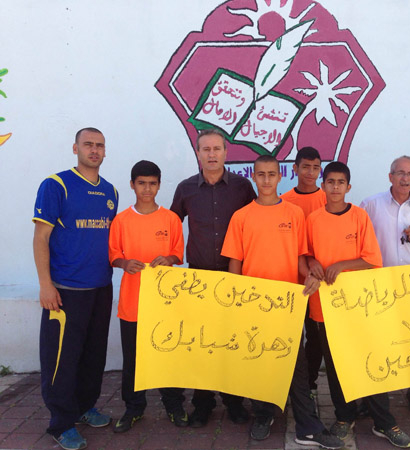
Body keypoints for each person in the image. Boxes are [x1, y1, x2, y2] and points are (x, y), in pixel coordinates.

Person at [222, 155, 343, 449]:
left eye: (271, 174)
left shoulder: (294, 214)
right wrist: (238, 301)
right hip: (253, 303)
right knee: (259, 363)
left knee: (296, 365)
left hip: (287, 304)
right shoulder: (241, 216)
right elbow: (235, 264)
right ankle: (263, 415)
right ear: (253, 176)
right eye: (261, 174)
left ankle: (307, 427)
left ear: (280, 177)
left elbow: (301, 259)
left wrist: (310, 275)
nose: (266, 180)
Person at [306, 161, 410, 448]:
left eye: (340, 182)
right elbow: (305, 254)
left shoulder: (359, 217)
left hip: (359, 305)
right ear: (323, 186)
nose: (335, 187)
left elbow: (372, 260)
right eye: (330, 182)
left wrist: (341, 265)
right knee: (335, 365)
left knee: (370, 360)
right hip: (325, 306)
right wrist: (312, 262)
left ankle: (384, 422)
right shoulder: (313, 219)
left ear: (348, 187)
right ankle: (344, 417)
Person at [160, 129, 256, 427]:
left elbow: (255, 226)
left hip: (233, 276)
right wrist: (166, 259)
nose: (212, 154)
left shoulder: (242, 187)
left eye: (217, 149)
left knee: (232, 342)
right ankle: (203, 404)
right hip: (198, 278)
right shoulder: (186, 189)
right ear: (198, 153)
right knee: (201, 344)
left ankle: (234, 402)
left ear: (226, 152)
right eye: (206, 149)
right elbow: (171, 227)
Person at [33, 127, 118, 450]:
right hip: (65, 291)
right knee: (61, 360)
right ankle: (61, 422)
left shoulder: (110, 191)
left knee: (93, 357)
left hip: (101, 288)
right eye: (88, 145)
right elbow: (41, 237)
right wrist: (45, 284)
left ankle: (84, 407)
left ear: (105, 151)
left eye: (99, 145)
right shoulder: (56, 185)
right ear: (75, 148)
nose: (94, 150)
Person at [360, 155, 410, 420]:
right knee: (378, 341)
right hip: (379, 285)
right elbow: (360, 240)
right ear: (390, 176)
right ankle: (372, 396)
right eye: (400, 173)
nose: (405, 178)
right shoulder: (370, 204)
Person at [108, 160, 184, 433]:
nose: (147, 189)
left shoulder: (171, 219)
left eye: (152, 183)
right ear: (132, 185)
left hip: (164, 303)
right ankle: (134, 408)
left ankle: (174, 405)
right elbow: (114, 255)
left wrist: (169, 258)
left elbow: (178, 253)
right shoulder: (121, 220)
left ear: (159, 185)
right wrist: (125, 263)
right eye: (141, 183)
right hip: (132, 303)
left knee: (167, 357)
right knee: (133, 360)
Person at [281, 146, 326, 394]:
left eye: (315, 168)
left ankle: (309, 383)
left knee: (316, 334)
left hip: (319, 280)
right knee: (289, 333)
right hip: (291, 278)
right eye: (305, 167)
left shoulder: (328, 199)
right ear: (295, 168)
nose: (310, 172)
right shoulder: (284, 201)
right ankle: (286, 382)